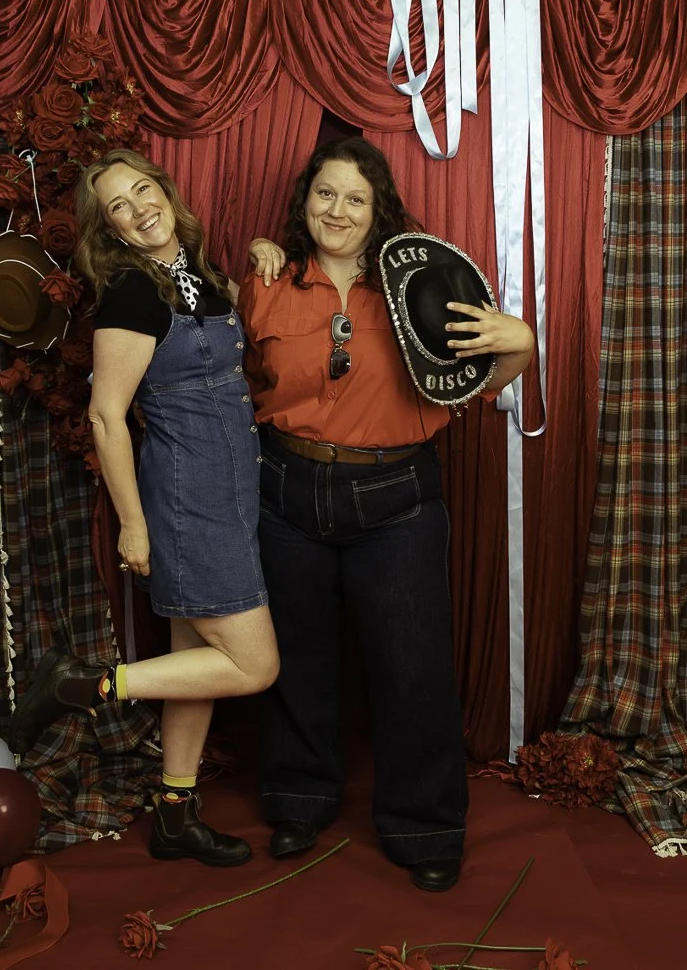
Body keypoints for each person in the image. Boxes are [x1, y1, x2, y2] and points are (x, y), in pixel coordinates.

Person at [239, 137, 534, 891]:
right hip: (288, 490)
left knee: (413, 667)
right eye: (325, 194)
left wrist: (521, 346)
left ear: (379, 213)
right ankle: (299, 798)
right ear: (306, 203)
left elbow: (473, 380)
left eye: (355, 198)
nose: (337, 210)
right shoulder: (266, 282)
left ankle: (427, 826)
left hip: (396, 497)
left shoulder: (420, 287)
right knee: (297, 659)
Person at [8, 148, 280, 867]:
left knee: (198, 657)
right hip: (189, 498)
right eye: (117, 207)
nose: (138, 208)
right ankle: (84, 683)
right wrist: (133, 522)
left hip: (231, 492)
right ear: (110, 231)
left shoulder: (199, 273)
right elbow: (106, 417)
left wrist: (264, 253)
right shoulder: (131, 293)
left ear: (165, 190)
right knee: (253, 665)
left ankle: (173, 813)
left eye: (142, 190)